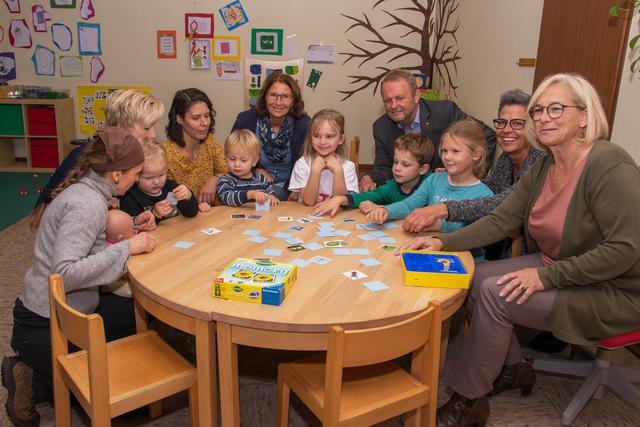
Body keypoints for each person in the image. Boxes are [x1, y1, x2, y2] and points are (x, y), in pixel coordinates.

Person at [399, 73, 640, 427]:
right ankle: (513, 369)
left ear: (585, 116)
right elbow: (501, 219)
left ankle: (468, 401)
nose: (543, 117)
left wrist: (545, 277)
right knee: (468, 278)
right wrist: (443, 242)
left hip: (610, 288)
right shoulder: (544, 164)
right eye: (538, 110)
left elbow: (623, 250)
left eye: (556, 109)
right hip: (559, 266)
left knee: (495, 295)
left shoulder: (609, 164)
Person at [2, 127, 156, 427]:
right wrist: (127, 246)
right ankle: (32, 376)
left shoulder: (89, 192)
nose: (137, 180)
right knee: (113, 393)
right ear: (115, 174)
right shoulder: (87, 204)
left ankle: (53, 373)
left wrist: (131, 227)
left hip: (60, 310)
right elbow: (67, 272)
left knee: (138, 314)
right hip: (45, 324)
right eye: (136, 173)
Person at [402, 89, 545, 235]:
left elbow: (504, 202)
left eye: (517, 123)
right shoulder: (506, 159)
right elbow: (488, 187)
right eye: (501, 122)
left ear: (532, 126)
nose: (506, 129)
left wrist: (444, 208)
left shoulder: (540, 163)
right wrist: (461, 172)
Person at [371, 120, 493, 262]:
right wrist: (386, 211)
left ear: (476, 155)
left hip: (464, 261)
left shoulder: (485, 196)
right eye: (444, 150)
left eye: (455, 151)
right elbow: (410, 205)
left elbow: (474, 235)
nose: (447, 157)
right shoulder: (434, 179)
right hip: (428, 252)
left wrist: (439, 225)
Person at [359, 69, 496, 192]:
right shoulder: (381, 127)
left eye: (400, 98)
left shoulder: (445, 112)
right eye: (387, 100)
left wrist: (470, 175)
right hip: (409, 198)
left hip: (449, 194)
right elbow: (384, 168)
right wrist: (369, 177)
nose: (393, 106)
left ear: (416, 95)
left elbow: (487, 137)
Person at [35, 89, 165, 209]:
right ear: (121, 127)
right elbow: (45, 206)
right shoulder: (89, 155)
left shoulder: (135, 154)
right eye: (147, 128)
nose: (153, 135)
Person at [312, 133, 433, 217]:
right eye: (395, 162)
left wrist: (381, 209)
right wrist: (340, 199)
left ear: (422, 169)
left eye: (405, 165)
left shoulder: (432, 185)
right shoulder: (392, 186)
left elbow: (418, 211)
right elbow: (368, 196)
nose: (397, 168)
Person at [232, 72, 310, 201]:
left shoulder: (304, 125)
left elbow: (309, 163)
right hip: (253, 186)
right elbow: (232, 156)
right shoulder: (246, 121)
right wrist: (255, 170)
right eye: (273, 95)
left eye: (285, 97)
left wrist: (295, 188)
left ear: (293, 101)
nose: (278, 102)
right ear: (264, 97)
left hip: (293, 190)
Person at [164, 88, 227, 208]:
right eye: (195, 118)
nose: (204, 123)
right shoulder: (166, 155)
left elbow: (232, 171)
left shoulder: (209, 141)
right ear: (179, 119)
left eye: (207, 116)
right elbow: (168, 203)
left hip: (214, 215)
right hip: (184, 221)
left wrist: (216, 178)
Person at [288, 109, 359, 206]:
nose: (322, 142)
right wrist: (315, 170)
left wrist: (338, 171)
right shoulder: (302, 164)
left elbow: (341, 204)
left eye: (329, 136)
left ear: (341, 139)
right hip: (307, 215)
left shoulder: (348, 167)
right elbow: (309, 201)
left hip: (336, 219)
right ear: (310, 137)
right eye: (316, 136)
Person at [119, 138, 200, 222]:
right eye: (149, 178)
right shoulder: (130, 197)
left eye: (161, 174)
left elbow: (191, 213)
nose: (157, 182)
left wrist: (188, 196)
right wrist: (155, 214)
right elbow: (133, 228)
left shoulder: (170, 188)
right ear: (136, 175)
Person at [217, 129, 280, 207]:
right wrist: (249, 194)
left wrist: (272, 197)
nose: (237, 164)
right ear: (225, 159)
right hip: (231, 218)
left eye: (243, 160)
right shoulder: (225, 180)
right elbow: (227, 198)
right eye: (232, 159)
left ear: (254, 161)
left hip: (260, 218)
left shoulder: (262, 179)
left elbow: (272, 195)